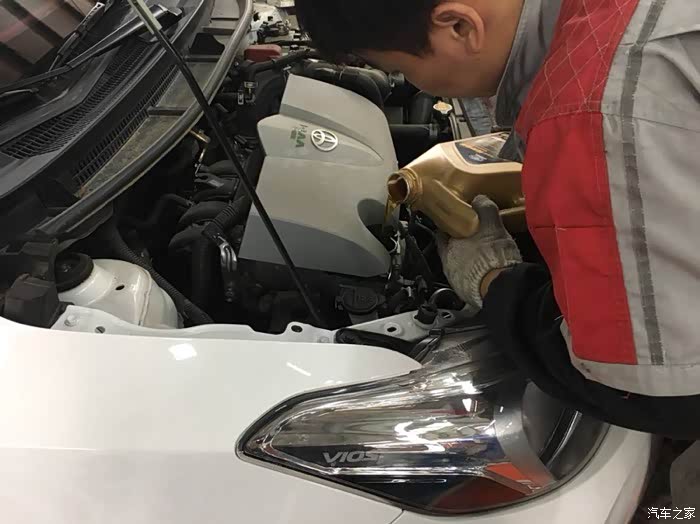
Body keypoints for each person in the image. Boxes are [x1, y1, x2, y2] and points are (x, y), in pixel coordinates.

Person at [295, 0, 700, 439]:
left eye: (399, 69)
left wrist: (493, 280)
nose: (410, 84)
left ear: (458, 25)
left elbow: (663, 396)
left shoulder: (594, 113)